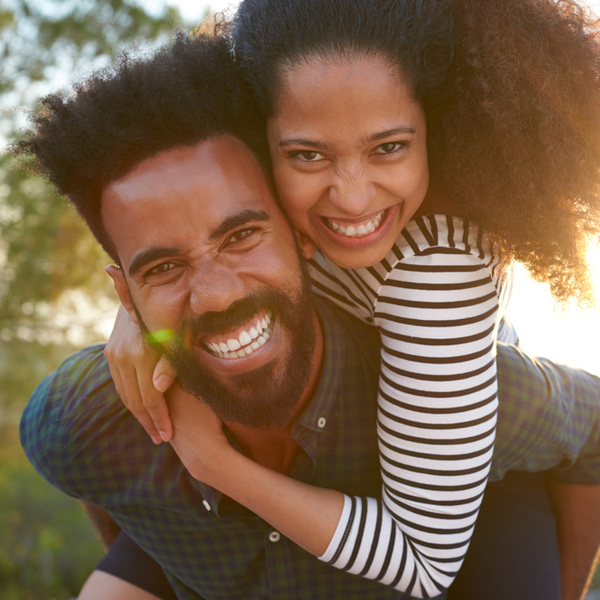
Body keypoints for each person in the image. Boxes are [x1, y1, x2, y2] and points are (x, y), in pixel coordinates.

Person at [15, 33, 600, 600]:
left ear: (300, 235)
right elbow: (85, 464)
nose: (215, 296)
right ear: (125, 292)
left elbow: (592, 427)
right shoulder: (84, 416)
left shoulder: (445, 378)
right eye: (162, 267)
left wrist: (566, 589)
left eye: (242, 234)